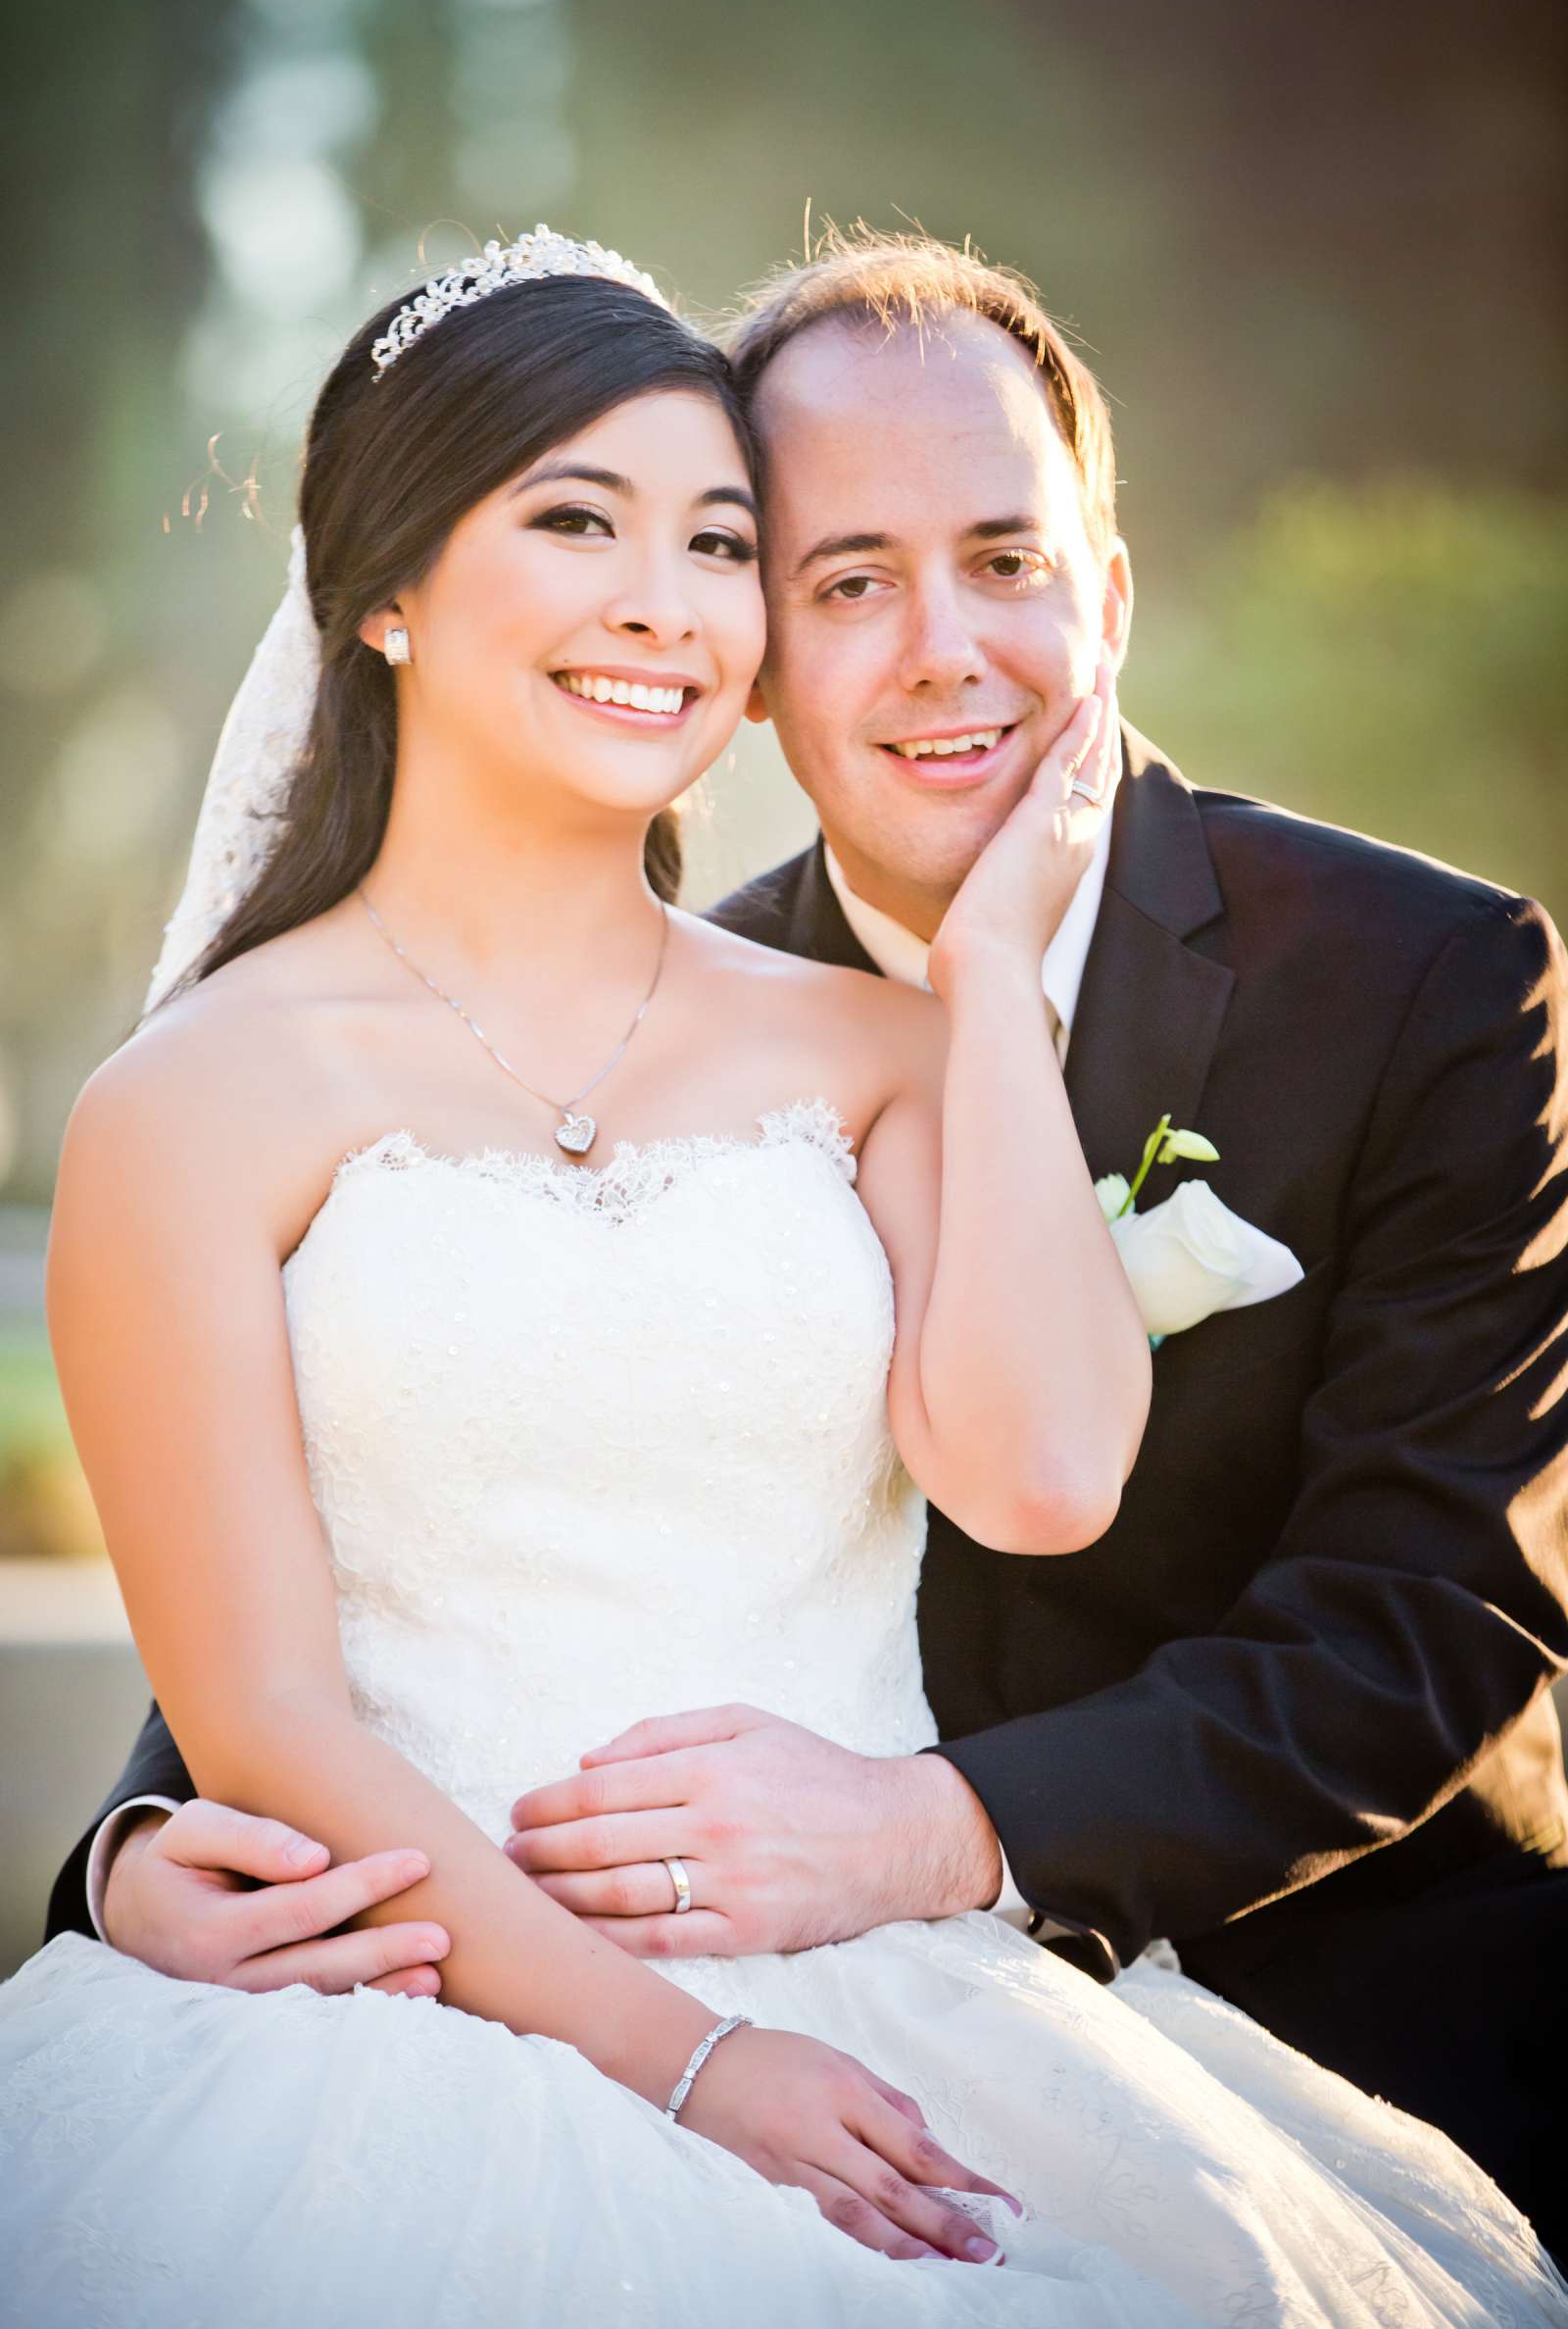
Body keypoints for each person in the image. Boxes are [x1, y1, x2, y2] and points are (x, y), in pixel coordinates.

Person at [12, 228, 1560, 2327]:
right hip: (477, 2012)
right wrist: (134, 1866)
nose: (937, 649)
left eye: (1004, 564)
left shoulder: (1408, 981)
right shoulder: (296, 1072)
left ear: (1105, 603)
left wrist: (927, 1838)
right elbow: (352, 1597)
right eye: (838, 577)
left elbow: (1408, 1613)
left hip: (1294, 1988)